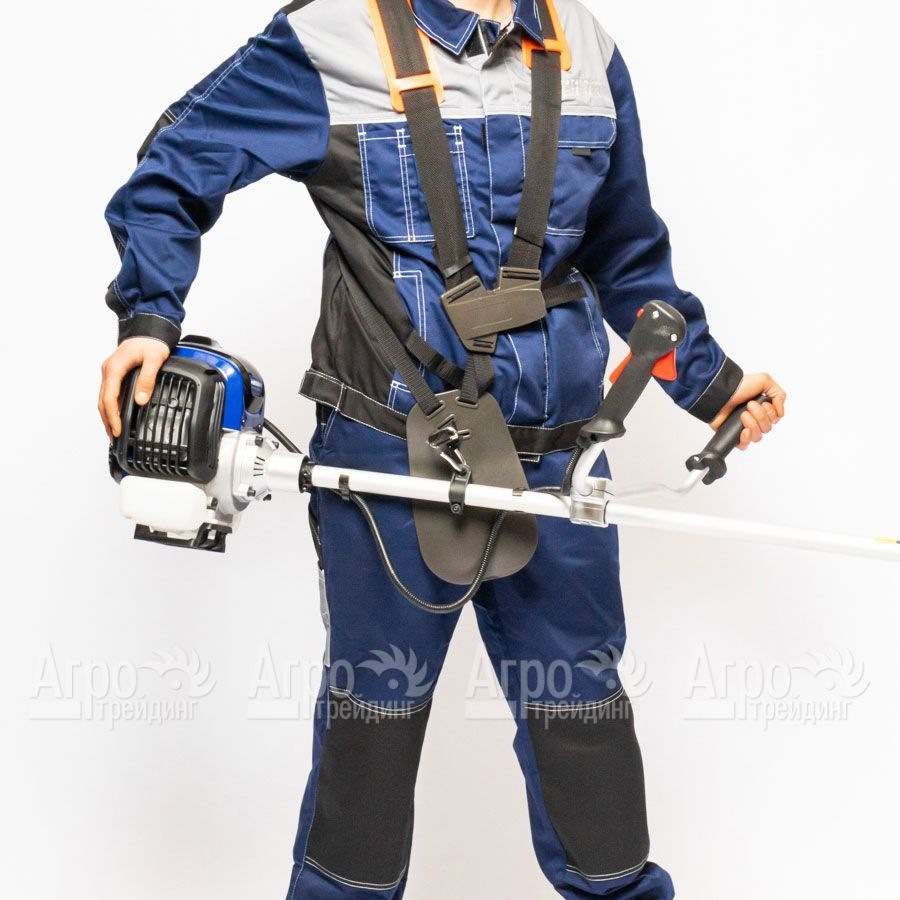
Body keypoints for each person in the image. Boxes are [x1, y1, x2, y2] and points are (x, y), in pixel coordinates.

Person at [98, 0, 786, 896]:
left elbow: (625, 252)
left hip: (560, 466)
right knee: (371, 741)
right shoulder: (330, 37)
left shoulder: (584, 46)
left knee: (587, 735)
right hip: (388, 460)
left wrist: (711, 382)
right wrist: (149, 320)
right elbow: (176, 163)